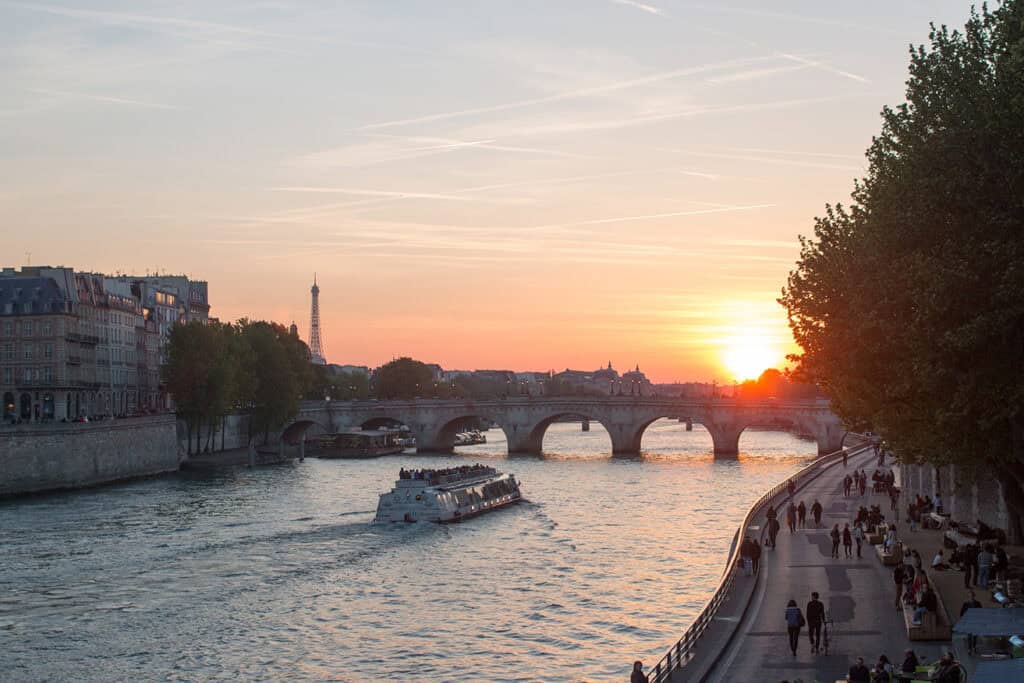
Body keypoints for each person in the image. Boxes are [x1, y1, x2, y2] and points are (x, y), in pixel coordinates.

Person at [960, 590, 982, 654]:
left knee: (975, 635)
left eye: (972, 596)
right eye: (970, 596)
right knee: (969, 635)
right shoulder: (965, 604)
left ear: (974, 596)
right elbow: (962, 612)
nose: (971, 597)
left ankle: (974, 647)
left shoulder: (978, 603)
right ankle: (969, 648)